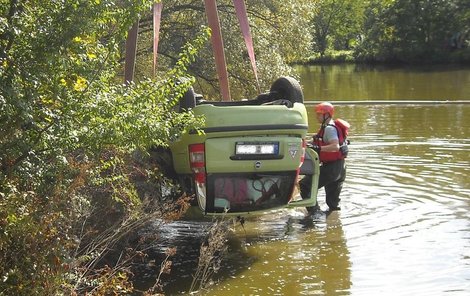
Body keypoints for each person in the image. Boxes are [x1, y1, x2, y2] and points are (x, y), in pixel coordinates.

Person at [300, 102, 347, 212]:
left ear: (326, 115)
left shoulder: (329, 129)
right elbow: (320, 141)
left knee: (305, 185)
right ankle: (334, 223)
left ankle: (315, 214)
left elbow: (335, 146)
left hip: (331, 169)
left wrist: (318, 148)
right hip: (341, 168)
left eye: (319, 114)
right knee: (333, 204)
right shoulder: (331, 126)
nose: (317, 116)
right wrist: (308, 144)